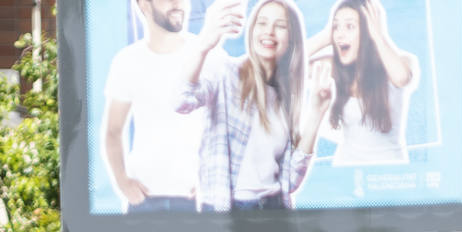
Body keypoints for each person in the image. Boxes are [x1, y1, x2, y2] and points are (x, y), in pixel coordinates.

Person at [175, 0, 331, 211]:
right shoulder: (226, 74)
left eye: (280, 25)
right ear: (252, 30)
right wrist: (203, 44)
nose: (269, 32)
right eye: (262, 22)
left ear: (292, 39)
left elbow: (291, 181)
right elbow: (181, 101)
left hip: (276, 211)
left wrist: (316, 112)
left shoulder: (285, 95)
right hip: (230, 214)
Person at [102, 0, 205, 213]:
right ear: (143, 5)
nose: (178, 3)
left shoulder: (204, 54)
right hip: (144, 201)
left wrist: (212, 182)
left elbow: (228, 123)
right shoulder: (128, 61)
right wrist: (122, 181)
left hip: (196, 201)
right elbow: (113, 130)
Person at [309, 0, 418, 165]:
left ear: (369, 30)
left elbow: (402, 78)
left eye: (349, 26)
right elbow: (284, 68)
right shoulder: (335, 66)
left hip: (389, 171)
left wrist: (379, 36)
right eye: (336, 26)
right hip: (345, 168)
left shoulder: (402, 61)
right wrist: (325, 37)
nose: (339, 34)